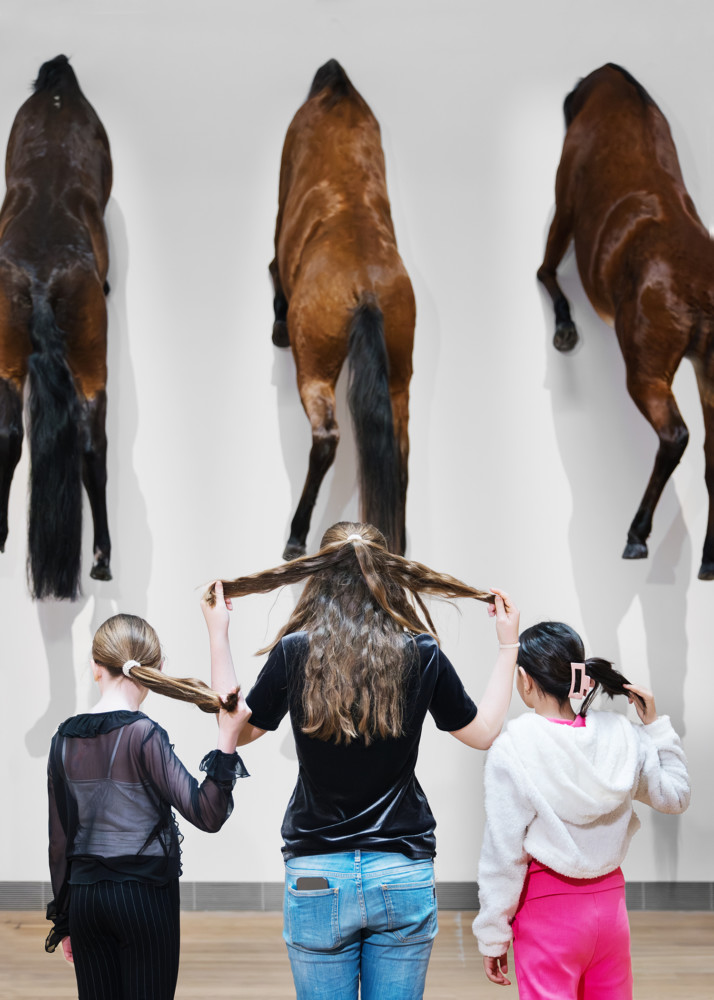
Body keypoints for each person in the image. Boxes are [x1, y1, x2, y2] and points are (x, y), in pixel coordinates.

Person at [203, 520, 520, 1000]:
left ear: (320, 578)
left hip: (315, 875)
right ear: (388, 576)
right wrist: (507, 646)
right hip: (402, 873)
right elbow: (484, 733)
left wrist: (218, 633)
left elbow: (235, 728)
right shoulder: (421, 651)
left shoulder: (297, 650)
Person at [472, 620, 690, 999]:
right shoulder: (620, 735)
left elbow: (503, 854)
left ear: (523, 679)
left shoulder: (515, 745)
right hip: (611, 914)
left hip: (546, 916)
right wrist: (654, 727)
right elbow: (675, 797)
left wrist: (493, 935)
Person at [46, 599, 252, 1000]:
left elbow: (59, 842)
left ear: (95, 667)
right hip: (144, 899)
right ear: (154, 672)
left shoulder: (63, 739)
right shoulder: (144, 735)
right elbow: (207, 813)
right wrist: (226, 740)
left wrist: (66, 918)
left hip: (86, 899)